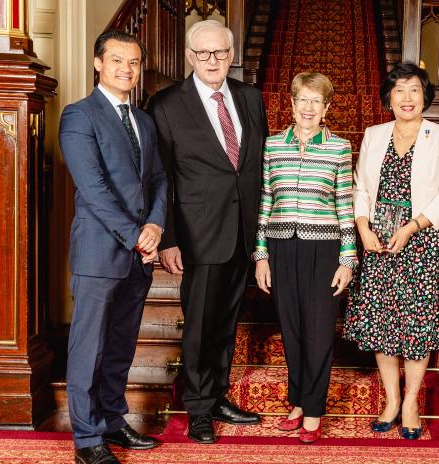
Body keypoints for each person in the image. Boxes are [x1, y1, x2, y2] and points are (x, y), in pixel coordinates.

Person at [149, 20, 268, 444]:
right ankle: (198, 408)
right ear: (188, 56)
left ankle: (217, 395)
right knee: (199, 325)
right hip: (198, 235)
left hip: (244, 233)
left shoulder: (251, 98)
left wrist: (263, 236)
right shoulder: (165, 105)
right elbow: (159, 177)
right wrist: (168, 238)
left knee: (227, 321)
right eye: (203, 54)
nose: (212, 61)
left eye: (219, 53)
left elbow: (258, 167)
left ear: (232, 55)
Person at [60, 29, 166, 464]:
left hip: (138, 254)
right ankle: (87, 438)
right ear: (98, 64)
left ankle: (111, 420)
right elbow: (94, 187)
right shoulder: (79, 115)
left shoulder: (143, 120)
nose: (127, 69)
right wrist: (137, 235)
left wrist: (157, 224)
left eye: (134, 62)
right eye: (118, 60)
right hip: (100, 253)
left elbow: (159, 177)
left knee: (121, 345)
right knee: (90, 348)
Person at [344, 62, 439, 440]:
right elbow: (359, 187)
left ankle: (411, 401)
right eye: (399, 90)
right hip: (379, 240)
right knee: (382, 323)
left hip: (423, 240)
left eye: (414, 89)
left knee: (416, 325)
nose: (407, 97)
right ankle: (391, 400)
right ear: (388, 98)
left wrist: (412, 227)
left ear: (425, 95)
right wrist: (362, 227)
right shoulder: (374, 134)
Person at [253, 72, 356, 444]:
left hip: (323, 249)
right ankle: (297, 401)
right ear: (292, 105)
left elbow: (345, 204)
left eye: (317, 101)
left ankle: (313, 409)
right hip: (282, 247)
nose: (309, 107)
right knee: (292, 330)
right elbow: (265, 200)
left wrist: (347, 259)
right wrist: (261, 254)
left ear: (327, 109)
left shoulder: (339, 148)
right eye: (303, 100)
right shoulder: (272, 146)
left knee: (317, 332)